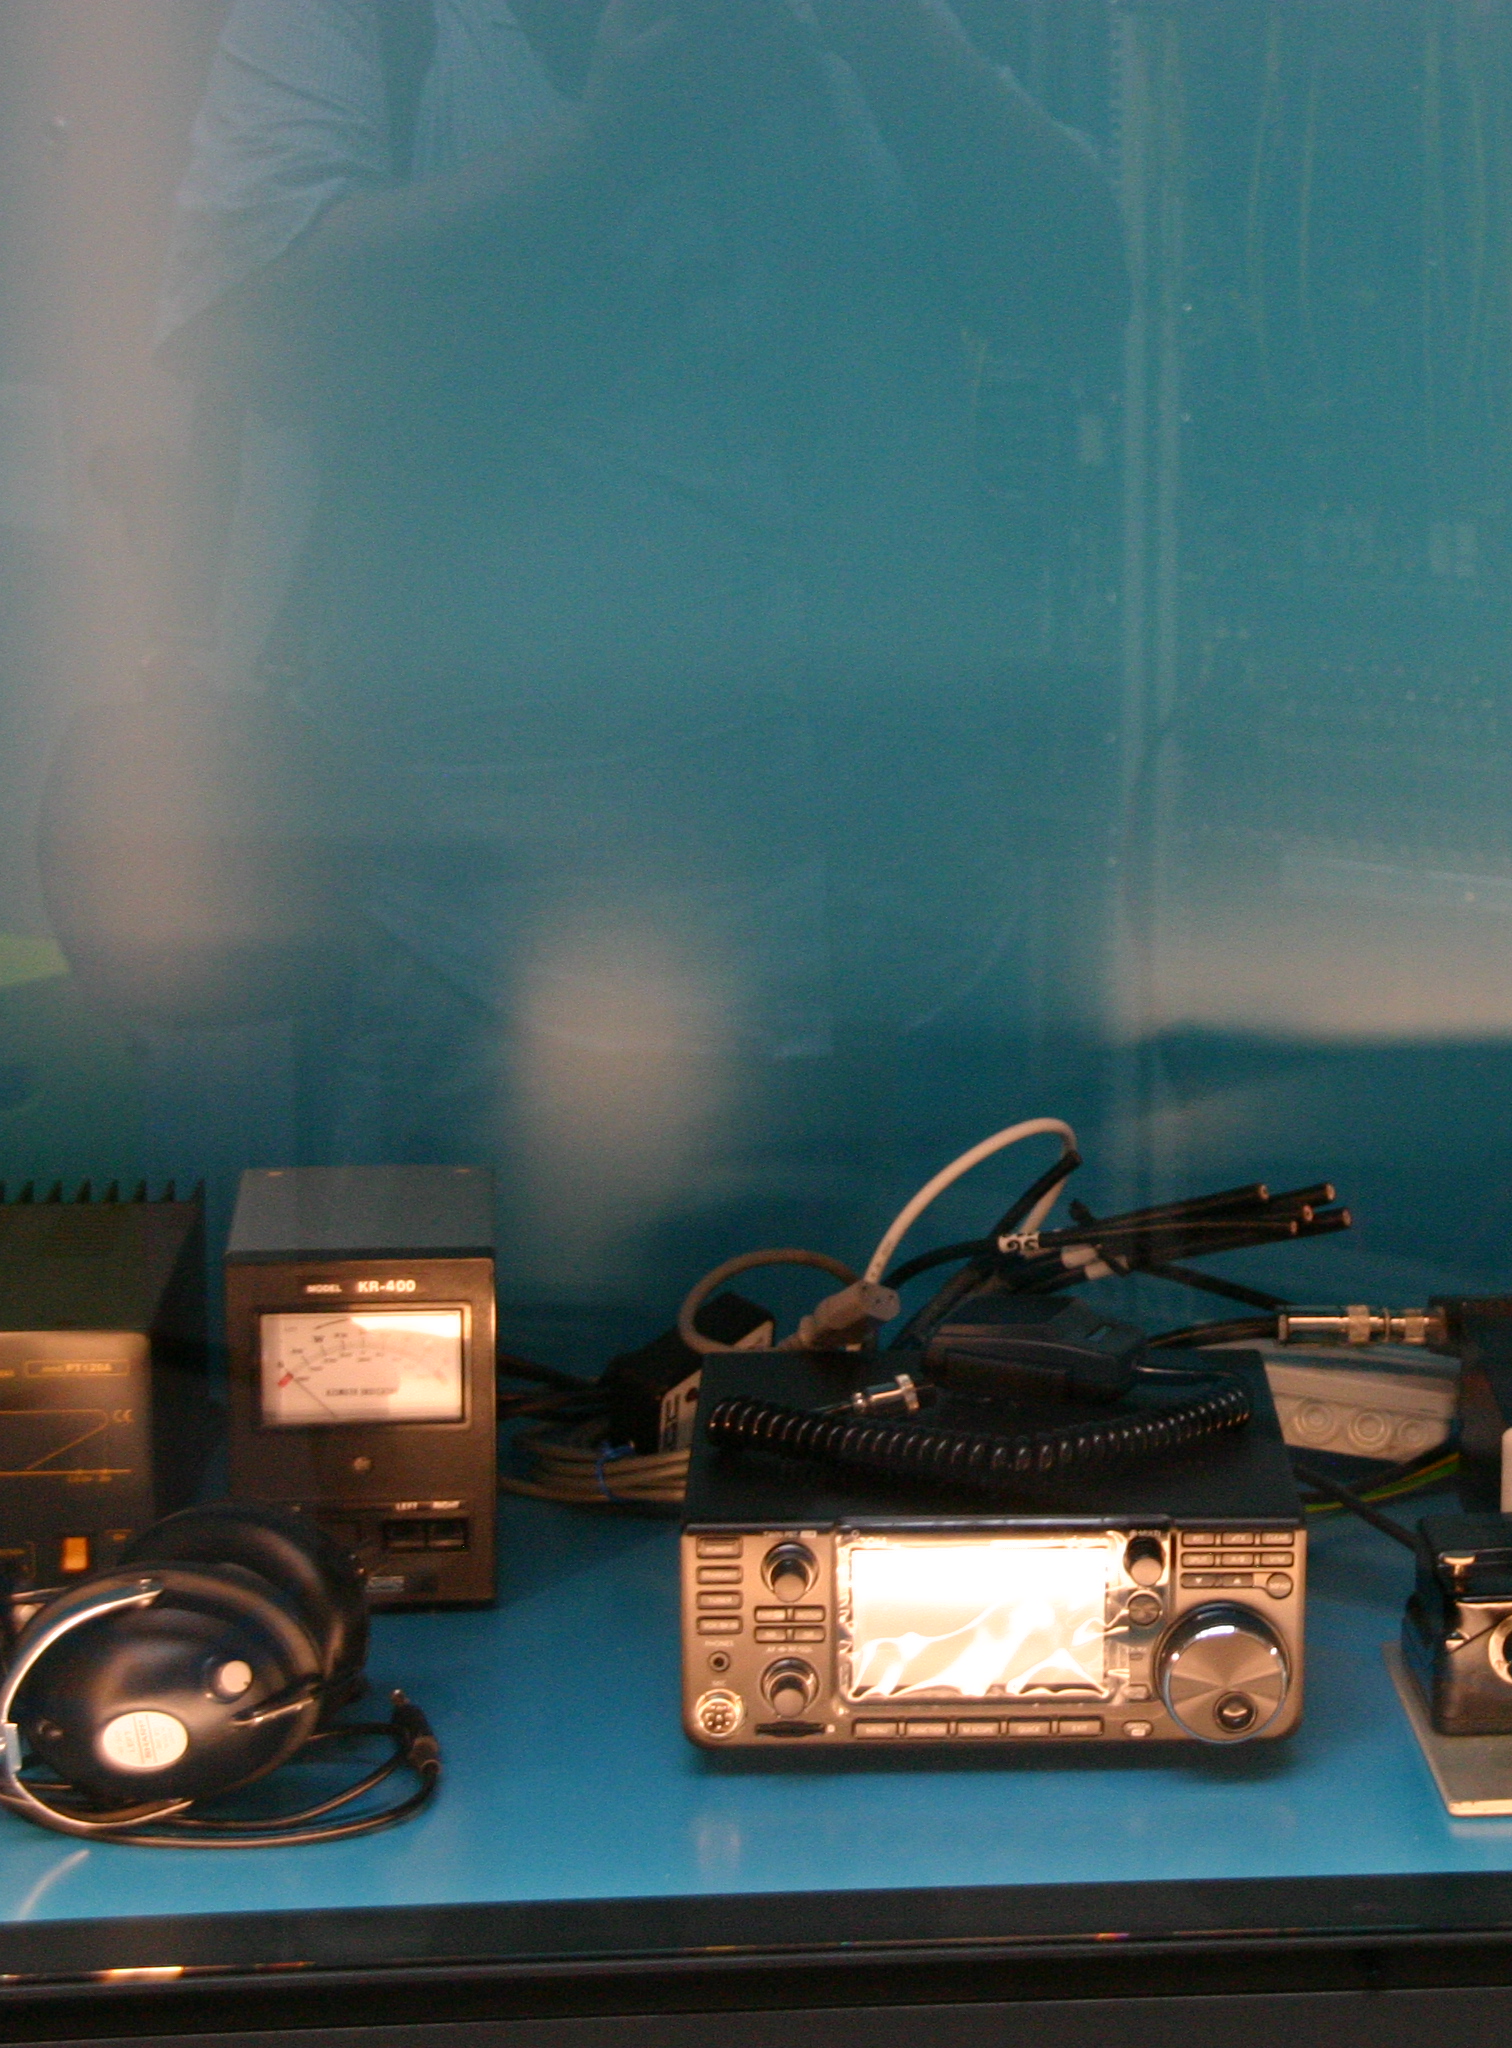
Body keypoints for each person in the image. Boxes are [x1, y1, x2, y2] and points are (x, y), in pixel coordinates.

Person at [153, 0, 1126, 1317]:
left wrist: (906, 45)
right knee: (509, 1428)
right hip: (497, 973)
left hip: (902, 953)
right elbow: (260, 326)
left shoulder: (873, 38)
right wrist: (611, 143)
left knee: (931, 1419)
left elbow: (1087, 297)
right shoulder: (374, 20)